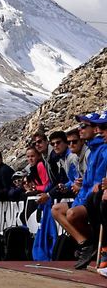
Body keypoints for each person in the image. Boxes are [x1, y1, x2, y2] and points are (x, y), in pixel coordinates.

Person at [52, 112, 107, 269]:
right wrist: (76, 186)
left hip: (93, 197)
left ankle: (95, 243)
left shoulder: (100, 148)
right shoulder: (92, 148)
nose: (80, 129)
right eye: (79, 126)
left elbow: (98, 180)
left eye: (84, 126)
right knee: (56, 209)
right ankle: (86, 243)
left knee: (72, 214)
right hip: (85, 196)